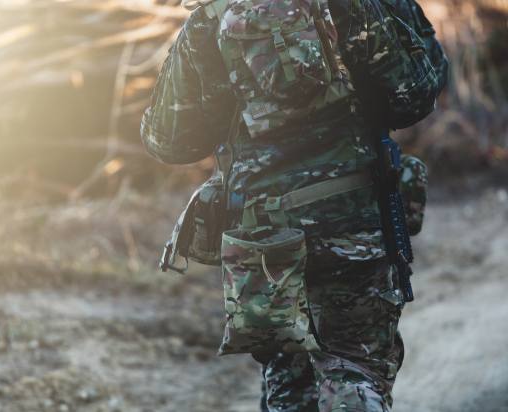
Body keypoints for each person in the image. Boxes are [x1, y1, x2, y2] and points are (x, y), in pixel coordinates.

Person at [140, 0, 448, 409]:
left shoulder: (212, 16)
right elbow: (417, 96)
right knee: (356, 369)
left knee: (289, 384)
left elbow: (170, 141)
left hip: (263, 241)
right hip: (353, 226)